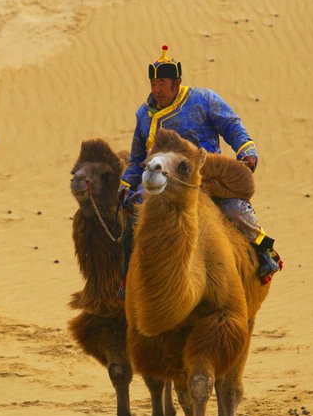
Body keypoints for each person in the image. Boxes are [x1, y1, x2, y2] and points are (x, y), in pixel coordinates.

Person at [119, 45, 282, 284]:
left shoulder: (203, 100)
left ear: (176, 83)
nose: (157, 89)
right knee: (131, 226)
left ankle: (265, 252)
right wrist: (126, 185)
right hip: (160, 184)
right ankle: (128, 281)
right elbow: (136, 159)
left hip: (204, 177)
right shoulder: (143, 115)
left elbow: (232, 126)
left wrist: (247, 151)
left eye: (162, 84)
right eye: (153, 84)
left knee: (234, 209)